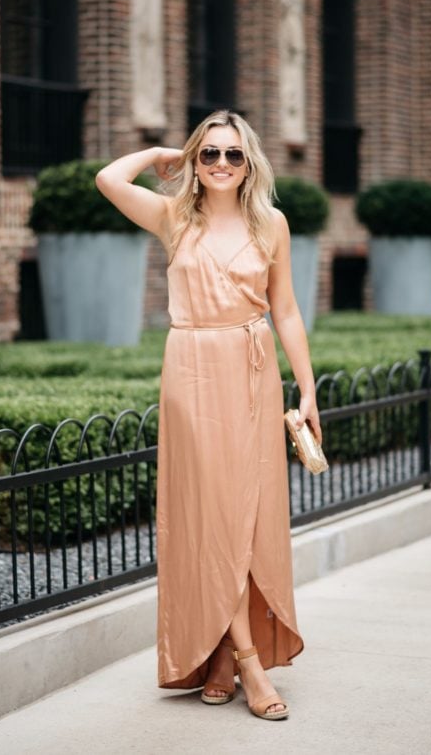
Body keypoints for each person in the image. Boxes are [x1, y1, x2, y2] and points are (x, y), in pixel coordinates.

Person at [95, 109, 321, 721]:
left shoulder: (271, 223)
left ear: (250, 165)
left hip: (250, 370)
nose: (221, 164)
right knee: (210, 517)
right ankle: (248, 663)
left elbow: (288, 312)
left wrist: (306, 388)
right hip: (191, 373)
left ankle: (224, 653)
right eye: (209, 154)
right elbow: (109, 180)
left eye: (233, 155)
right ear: (195, 163)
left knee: (245, 518)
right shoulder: (174, 216)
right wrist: (162, 152)